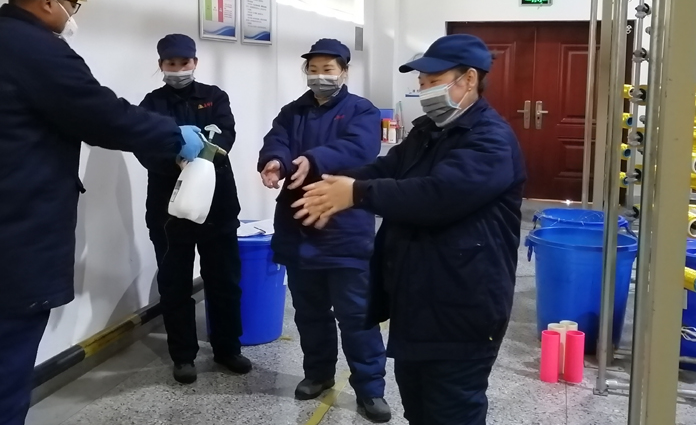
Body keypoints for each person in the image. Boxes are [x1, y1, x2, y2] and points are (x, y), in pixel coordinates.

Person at [0, 0, 206, 425]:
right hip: (16, 246)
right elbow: (103, 116)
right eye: (72, 3)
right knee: (3, 384)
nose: (72, 15)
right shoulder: (39, 51)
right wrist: (174, 136)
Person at [292, 34, 526, 425]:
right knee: (418, 403)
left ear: (469, 79)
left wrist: (357, 193)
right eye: (421, 82)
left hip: (464, 301)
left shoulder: (490, 139)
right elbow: (387, 168)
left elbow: (437, 195)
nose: (424, 90)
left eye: (434, 81)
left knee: (452, 407)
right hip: (418, 297)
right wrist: (333, 182)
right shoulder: (428, 131)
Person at [257, 39, 391, 423]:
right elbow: (277, 140)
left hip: (344, 228)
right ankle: (317, 373)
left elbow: (360, 149)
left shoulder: (361, 111)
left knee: (356, 315)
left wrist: (312, 160)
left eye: (328, 69)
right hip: (298, 227)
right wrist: (275, 161)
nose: (320, 77)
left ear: (344, 71)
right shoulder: (293, 111)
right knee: (309, 312)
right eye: (313, 70)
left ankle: (370, 389)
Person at [134, 33, 251, 384]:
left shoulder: (215, 97)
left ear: (195, 63)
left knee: (224, 281)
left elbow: (226, 134)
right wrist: (173, 159)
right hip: (169, 211)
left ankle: (227, 348)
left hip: (217, 206)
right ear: (161, 66)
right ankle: (183, 356)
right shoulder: (151, 104)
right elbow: (144, 145)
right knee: (175, 285)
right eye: (171, 63)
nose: (178, 69)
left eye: (184, 62)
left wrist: (201, 156)